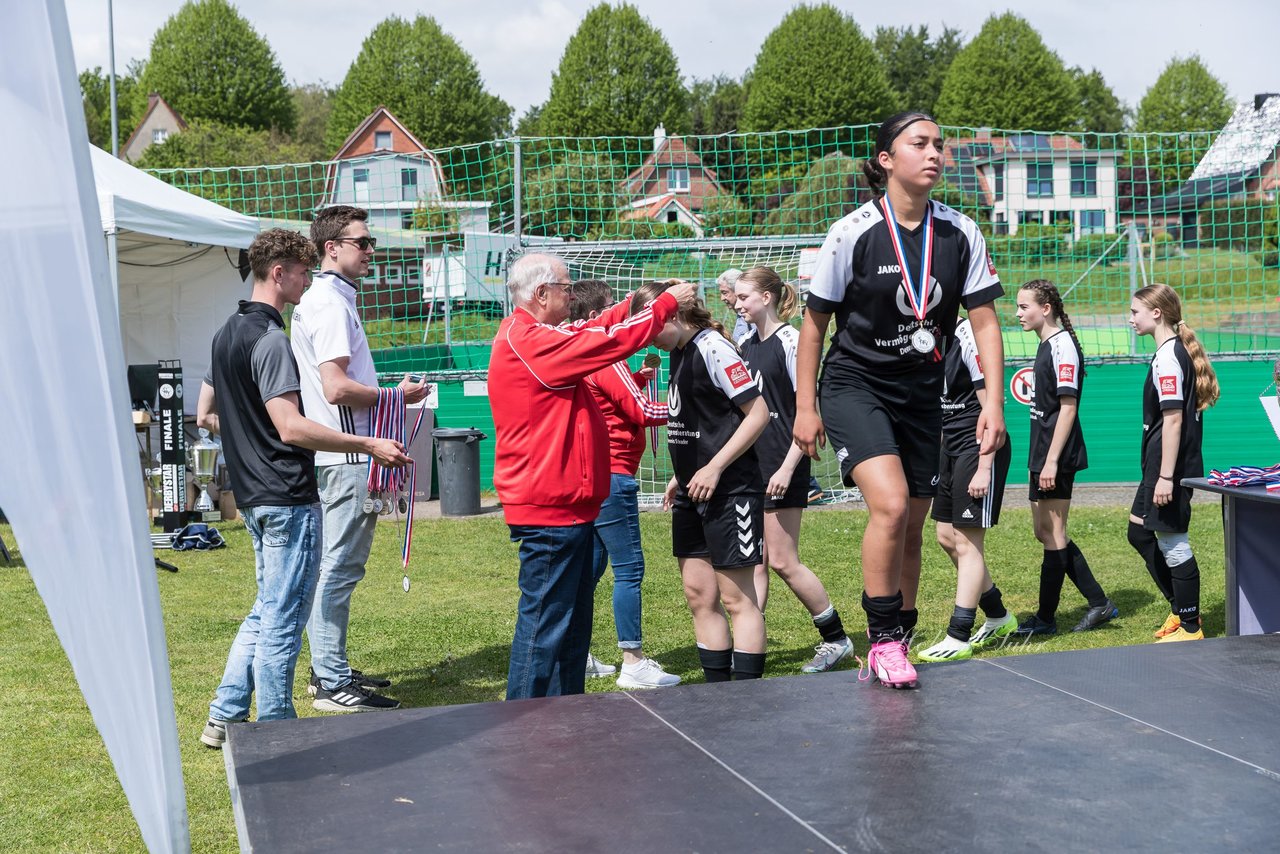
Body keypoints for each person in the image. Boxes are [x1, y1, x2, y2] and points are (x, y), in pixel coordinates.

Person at [793, 111, 1006, 690]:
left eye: (939, 144)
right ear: (887, 159)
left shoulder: (961, 232)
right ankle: (882, 639)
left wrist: (993, 403)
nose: (935, 153)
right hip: (854, 384)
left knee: (912, 524)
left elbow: (985, 322)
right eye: (920, 144)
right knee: (888, 506)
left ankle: (900, 638)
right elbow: (813, 328)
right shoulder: (852, 232)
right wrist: (806, 407)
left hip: (921, 392)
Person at [198, 229, 409, 748]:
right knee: (283, 620)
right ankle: (276, 730)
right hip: (286, 495)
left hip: (254, 495)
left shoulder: (226, 333)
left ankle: (224, 715)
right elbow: (292, 427)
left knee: (267, 608)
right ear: (279, 273)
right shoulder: (270, 339)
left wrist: (251, 435)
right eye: (302, 270)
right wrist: (368, 442)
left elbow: (207, 415)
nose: (308, 279)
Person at [489, 255, 695, 700]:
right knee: (546, 624)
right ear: (541, 294)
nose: (572, 293)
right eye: (566, 286)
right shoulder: (530, 341)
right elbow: (606, 344)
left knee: (570, 623)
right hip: (551, 506)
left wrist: (632, 305)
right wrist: (660, 307)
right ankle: (522, 723)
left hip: (568, 503)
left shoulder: (534, 334)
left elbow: (591, 330)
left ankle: (563, 715)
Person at [289, 205, 427, 713]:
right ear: (332, 248)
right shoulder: (327, 303)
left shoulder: (327, 298)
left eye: (370, 243)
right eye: (362, 242)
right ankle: (329, 680)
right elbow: (336, 387)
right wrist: (395, 396)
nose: (372, 251)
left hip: (344, 455)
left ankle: (330, 666)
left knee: (336, 567)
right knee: (338, 569)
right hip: (348, 458)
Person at [632, 280, 771, 683]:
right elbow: (703, 423)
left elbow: (759, 413)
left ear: (673, 315)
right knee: (699, 595)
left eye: (651, 326)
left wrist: (715, 468)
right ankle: (716, 693)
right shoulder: (677, 353)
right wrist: (683, 473)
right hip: (694, 492)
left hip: (731, 491)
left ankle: (746, 695)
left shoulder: (713, 347)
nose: (646, 338)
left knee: (736, 597)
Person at [733, 266, 854, 673]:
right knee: (757, 562)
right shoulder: (746, 342)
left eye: (744, 297)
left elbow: (808, 415)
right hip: (754, 466)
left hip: (783, 464)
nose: (737, 303)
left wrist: (787, 467)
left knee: (784, 561)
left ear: (766, 298)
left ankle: (836, 639)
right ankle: (749, 645)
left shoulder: (790, 341)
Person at [569, 279, 681, 688]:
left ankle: (574, 653)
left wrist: (639, 378)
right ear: (599, 315)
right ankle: (633, 661)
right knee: (629, 568)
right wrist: (692, 405)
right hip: (614, 476)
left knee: (591, 569)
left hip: (601, 473)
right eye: (613, 306)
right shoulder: (605, 355)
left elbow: (619, 402)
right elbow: (644, 412)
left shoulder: (587, 356)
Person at [1012, 279, 1118, 637]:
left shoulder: (1063, 346)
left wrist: (1052, 461)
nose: (1017, 313)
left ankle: (1047, 618)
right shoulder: (1046, 344)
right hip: (1041, 451)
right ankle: (1099, 602)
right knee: (1044, 531)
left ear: (1046, 308)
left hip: (1056, 454)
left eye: (1024, 306)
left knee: (1054, 532)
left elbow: (1068, 408)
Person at [918, 317, 1017, 662]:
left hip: (978, 448)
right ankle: (999, 616)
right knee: (946, 536)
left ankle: (959, 635)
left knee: (967, 540)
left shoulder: (968, 334)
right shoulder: (926, 337)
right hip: (950, 449)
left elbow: (992, 406)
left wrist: (985, 467)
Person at [1128, 283, 1219, 642]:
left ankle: (1192, 626)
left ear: (1156, 313)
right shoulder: (1172, 350)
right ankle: (1178, 609)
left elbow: (1174, 420)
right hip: (1160, 465)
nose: (1130, 318)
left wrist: (1166, 477)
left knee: (1173, 542)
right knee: (1139, 532)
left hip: (1169, 468)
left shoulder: (1169, 355)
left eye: (1135, 312)